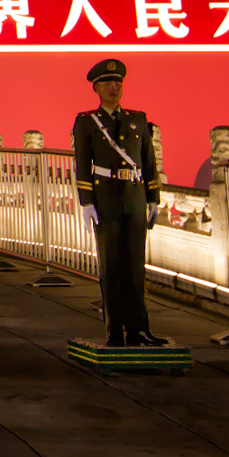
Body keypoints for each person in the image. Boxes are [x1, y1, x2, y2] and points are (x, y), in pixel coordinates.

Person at [72, 57, 164, 347]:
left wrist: (153, 198)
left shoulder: (138, 119)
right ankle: (114, 331)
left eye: (118, 83)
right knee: (111, 266)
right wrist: (86, 201)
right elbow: (82, 163)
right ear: (97, 88)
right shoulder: (87, 122)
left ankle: (139, 329)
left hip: (134, 197)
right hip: (106, 198)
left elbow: (148, 162)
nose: (115, 88)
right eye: (108, 83)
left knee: (136, 265)